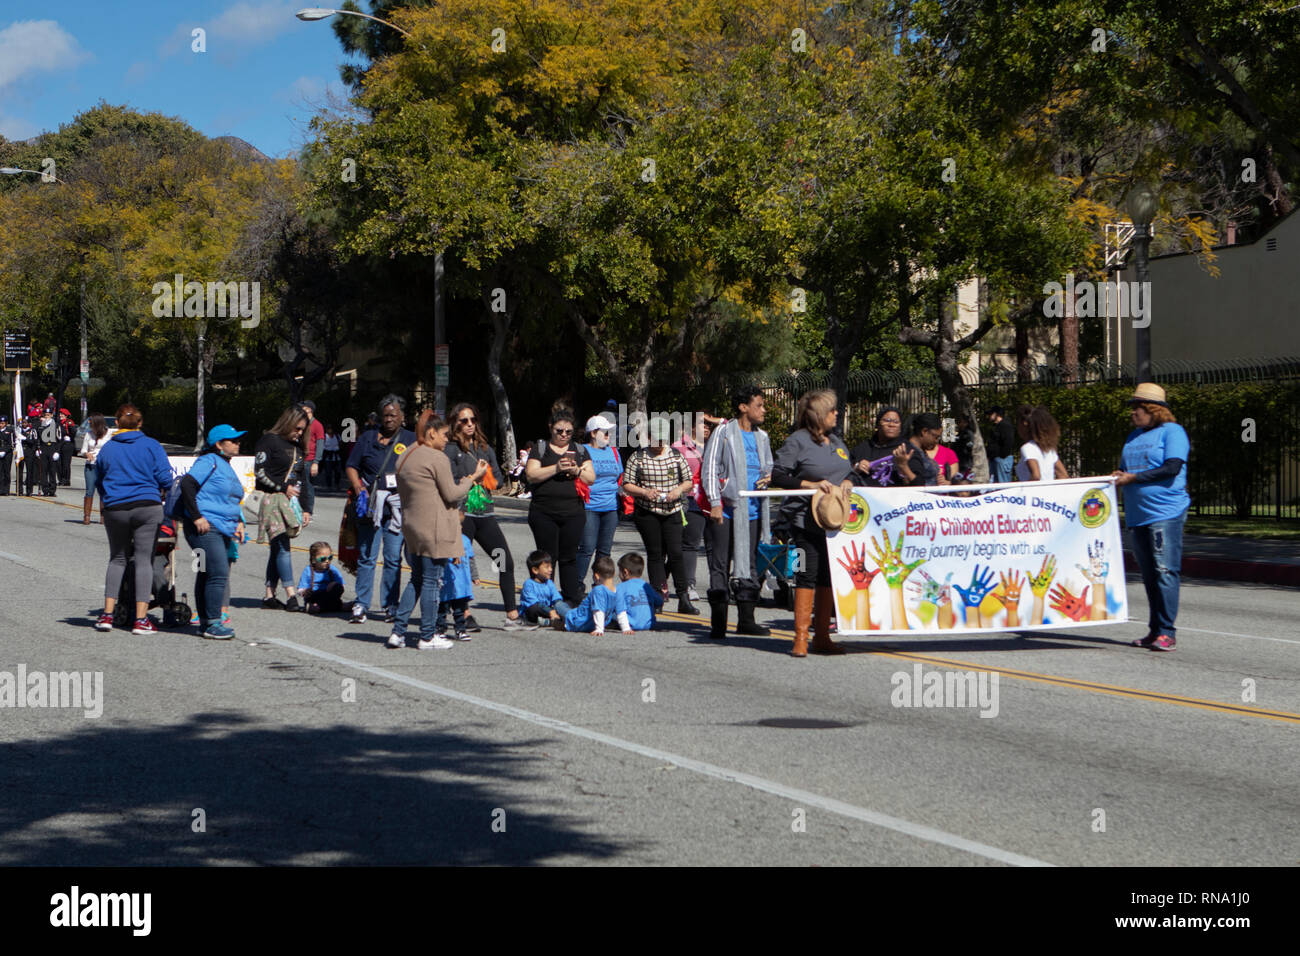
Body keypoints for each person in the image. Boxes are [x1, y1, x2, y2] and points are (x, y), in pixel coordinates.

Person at [387, 410, 485, 650]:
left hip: (411, 525)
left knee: (416, 579)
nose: (446, 440)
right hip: (435, 527)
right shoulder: (436, 457)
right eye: (443, 435)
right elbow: (452, 493)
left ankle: (398, 631)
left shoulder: (405, 455)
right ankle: (428, 635)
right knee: (432, 581)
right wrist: (472, 477)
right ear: (430, 433)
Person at [770, 389, 857, 657]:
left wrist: (849, 480)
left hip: (834, 523)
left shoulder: (837, 443)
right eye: (832, 410)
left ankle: (821, 637)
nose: (836, 414)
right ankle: (800, 637)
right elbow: (778, 475)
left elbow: (849, 470)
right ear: (819, 415)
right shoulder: (797, 441)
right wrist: (810, 484)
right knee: (806, 573)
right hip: (804, 521)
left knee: (828, 577)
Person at [1112, 383, 1190, 653]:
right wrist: (1119, 474)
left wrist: (1133, 478)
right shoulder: (1133, 436)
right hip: (1137, 514)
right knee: (1148, 574)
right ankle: (1154, 630)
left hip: (1165, 513)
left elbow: (1172, 468)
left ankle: (1168, 632)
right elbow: (1125, 468)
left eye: (1137, 408)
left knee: (1165, 570)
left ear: (1153, 410)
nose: (1132, 413)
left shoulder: (1173, 432)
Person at [92, 404, 173, 635]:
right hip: (147, 505)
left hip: (116, 507)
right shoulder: (151, 445)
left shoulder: (108, 449)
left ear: (116, 424)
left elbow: (99, 479)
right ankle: (141, 619)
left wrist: (108, 498)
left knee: (117, 558)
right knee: (143, 560)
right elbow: (165, 478)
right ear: (140, 423)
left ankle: (107, 615)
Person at [444, 402, 527, 629]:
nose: (469, 424)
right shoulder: (451, 450)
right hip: (463, 515)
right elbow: (449, 481)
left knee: (504, 561)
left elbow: (499, 480)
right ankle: (465, 614)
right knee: (460, 565)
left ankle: (511, 615)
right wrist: (474, 476)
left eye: (473, 420)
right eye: (464, 420)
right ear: (455, 423)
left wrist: (487, 477)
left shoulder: (484, 448)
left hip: (485, 516)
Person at [701, 387, 773, 639]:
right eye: (759, 405)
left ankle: (746, 620)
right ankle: (718, 623)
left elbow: (768, 468)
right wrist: (715, 502)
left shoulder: (762, 437)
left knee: (751, 565)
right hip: (727, 509)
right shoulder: (724, 432)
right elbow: (709, 468)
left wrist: (768, 477)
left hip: (752, 511)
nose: (763, 410)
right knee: (720, 564)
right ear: (743, 407)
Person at [346, 394, 417, 624]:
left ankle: (390, 605)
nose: (388, 419)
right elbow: (351, 466)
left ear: (402, 417)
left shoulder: (410, 439)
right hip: (371, 508)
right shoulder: (367, 438)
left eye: (393, 415)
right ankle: (361, 603)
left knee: (393, 558)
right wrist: (359, 489)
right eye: (385, 415)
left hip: (397, 509)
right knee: (367, 556)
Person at [178, 424, 247, 639]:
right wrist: (197, 516)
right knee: (218, 573)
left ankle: (206, 621)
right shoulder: (208, 461)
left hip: (222, 526)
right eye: (232, 440)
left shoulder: (224, 464)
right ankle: (214, 623)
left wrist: (239, 521)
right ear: (218, 444)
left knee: (206, 571)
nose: (237, 444)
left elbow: (229, 498)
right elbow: (187, 484)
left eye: (238, 440)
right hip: (205, 527)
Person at [623, 417, 698, 614]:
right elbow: (627, 484)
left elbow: (688, 480)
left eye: (661, 439)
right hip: (647, 512)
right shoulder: (638, 457)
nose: (658, 443)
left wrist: (678, 491)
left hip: (672, 510)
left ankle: (683, 597)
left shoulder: (675, 455)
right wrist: (645, 492)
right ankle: (657, 598)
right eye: (654, 438)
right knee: (655, 554)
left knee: (676, 553)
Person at [525, 409, 595, 606]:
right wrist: (556, 468)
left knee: (569, 557)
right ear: (550, 428)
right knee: (547, 558)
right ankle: (544, 598)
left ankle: (571, 598)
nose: (564, 435)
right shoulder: (541, 448)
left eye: (568, 432)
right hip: (544, 512)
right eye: (559, 431)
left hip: (573, 513)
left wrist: (577, 470)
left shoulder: (580, 451)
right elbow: (531, 474)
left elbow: (591, 478)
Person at [254, 406, 307, 612]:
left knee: (277, 547)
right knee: (283, 545)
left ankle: (269, 594)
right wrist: (283, 487)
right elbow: (259, 472)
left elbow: (302, 479)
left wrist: (306, 507)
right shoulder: (269, 440)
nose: (299, 433)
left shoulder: (298, 448)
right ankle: (291, 594)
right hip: (272, 499)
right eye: (297, 429)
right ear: (288, 422)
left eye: (303, 430)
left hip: (291, 502)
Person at [673, 413, 719, 603]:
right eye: (703, 424)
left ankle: (717, 585)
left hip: (713, 498)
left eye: (710, 424)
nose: (707, 427)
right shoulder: (679, 447)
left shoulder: (716, 444)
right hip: (691, 499)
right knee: (691, 543)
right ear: (691, 427)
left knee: (714, 544)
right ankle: (689, 585)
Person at [576, 413, 623, 585]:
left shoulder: (614, 452)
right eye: (605, 432)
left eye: (610, 432)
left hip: (610, 507)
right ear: (593, 433)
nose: (609, 436)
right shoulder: (582, 451)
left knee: (605, 550)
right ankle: (577, 583)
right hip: (589, 506)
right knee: (587, 548)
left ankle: (600, 584)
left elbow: (619, 476)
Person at [553, 555, 618, 635]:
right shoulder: (616, 591)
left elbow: (598, 610)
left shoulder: (598, 590)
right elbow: (622, 611)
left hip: (577, 621)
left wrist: (599, 629)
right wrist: (626, 628)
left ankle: (556, 619)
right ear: (614, 574)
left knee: (558, 604)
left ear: (596, 576)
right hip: (592, 623)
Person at [437, 534, 476, 641]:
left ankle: (460, 629)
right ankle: (440, 629)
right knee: (442, 609)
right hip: (446, 584)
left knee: (460, 609)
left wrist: (474, 575)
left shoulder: (465, 539)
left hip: (461, 585)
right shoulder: (442, 539)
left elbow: (471, 559)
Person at [1015, 405, 1070, 481]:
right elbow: (1063, 475)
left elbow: (1036, 475)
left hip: (1033, 492)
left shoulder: (1028, 448)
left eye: (1018, 424)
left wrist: (1022, 489)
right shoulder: (1049, 449)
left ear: (1025, 424)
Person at [614, 553, 663, 633]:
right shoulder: (646, 586)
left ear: (625, 572)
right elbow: (659, 601)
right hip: (650, 624)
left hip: (630, 623)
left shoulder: (620, 587)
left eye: (619, 570)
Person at [893, 413, 944, 486]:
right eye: (935, 437)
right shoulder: (908, 452)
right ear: (924, 431)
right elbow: (910, 481)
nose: (936, 441)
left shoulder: (920, 451)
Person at [520, 550, 569, 626]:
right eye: (547, 567)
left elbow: (557, 599)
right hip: (534, 612)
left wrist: (560, 609)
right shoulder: (528, 584)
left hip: (548, 611)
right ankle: (552, 622)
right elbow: (535, 604)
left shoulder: (549, 582)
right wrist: (550, 611)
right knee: (533, 609)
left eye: (551, 566)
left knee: (560, 605)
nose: (551, 569)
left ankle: (572, 617)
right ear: (535, 570)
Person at [80, 413, 112, 524]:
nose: (90, 425)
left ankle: (103, 517)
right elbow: (83, 450)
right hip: (91, 465)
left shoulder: (109, 434)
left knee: (103, 491)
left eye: (91, 423)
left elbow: (113, 448)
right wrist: (87, 454)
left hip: (104, 466)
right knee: (89, 490)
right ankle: (86, 516)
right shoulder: (89, 434)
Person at [297, 541, 346, 614]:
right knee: (337, 605)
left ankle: (319, 607)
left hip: (330, 596)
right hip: (314, 596)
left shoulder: (333, 570)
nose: (327, 561)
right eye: (323, 559)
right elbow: (300, 589)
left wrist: (334, 586)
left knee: (335, 587)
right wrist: (305, 591)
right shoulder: (308, 570)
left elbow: (342, 586)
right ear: (313, 559)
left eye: (330, 558)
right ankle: (336, 607)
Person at [299, 399, 325, 526]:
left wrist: (316, 462)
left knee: (308, 487)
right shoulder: (302, 424)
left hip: (310, 461)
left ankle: (309, 511)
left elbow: (320, 444)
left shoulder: (317, 425)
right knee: (297, 486)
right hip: (300, 458)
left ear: (309, 410)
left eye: (304, 409)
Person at [986, 406, 1017, 483]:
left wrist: (1001, 456)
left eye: (991, 414)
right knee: (994, 486)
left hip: (1002, 460)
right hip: (995, 460)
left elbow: (1008, 442)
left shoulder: (1005, 425)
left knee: (1003, 485)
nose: (989, 416)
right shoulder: (996, 427)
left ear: (996, 414)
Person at [320, 424, 342, 490]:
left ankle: (337, 484)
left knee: (338, 472)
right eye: (328, 428)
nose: (330, 430)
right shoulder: (324, 436)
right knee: (328, 472)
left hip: (337, 456)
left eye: (331, 428)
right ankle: (329, 485)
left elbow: (341, 444)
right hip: (328, 457)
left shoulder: (337, 436)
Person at [0, 415, 14, 495]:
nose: (1, 425)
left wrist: (4, 451)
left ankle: (6, 490)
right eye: (0, 423)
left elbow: (11, 443)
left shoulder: (10, 431)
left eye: (2, 423)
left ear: (6, 423)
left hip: (7, 453)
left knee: (6, 471)